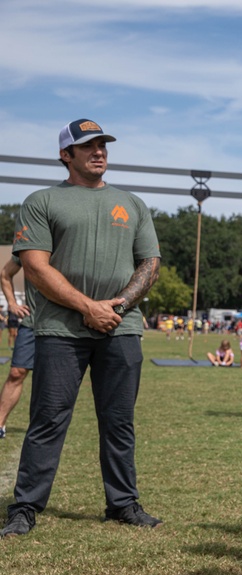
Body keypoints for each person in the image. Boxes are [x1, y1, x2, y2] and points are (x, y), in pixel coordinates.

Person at [2, 118, 162, 538]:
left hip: (122, 328)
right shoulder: (42, 201)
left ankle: (123, 504)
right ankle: (24, 508)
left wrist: (119, 305)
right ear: (65, 155)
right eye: (88, 146)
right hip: (58, 329)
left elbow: (150, 263)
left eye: (103, 145)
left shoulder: (133, 203)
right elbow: (35, 268)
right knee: (48, 419)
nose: (99, 152)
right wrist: (88, 307)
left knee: (119, 421)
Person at [0, 257, 34, 440]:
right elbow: (5, 274)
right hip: (32, 323)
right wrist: (12, 304)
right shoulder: (31, 244)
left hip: (63, 324)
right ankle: (0, 424)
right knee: (16, 372)